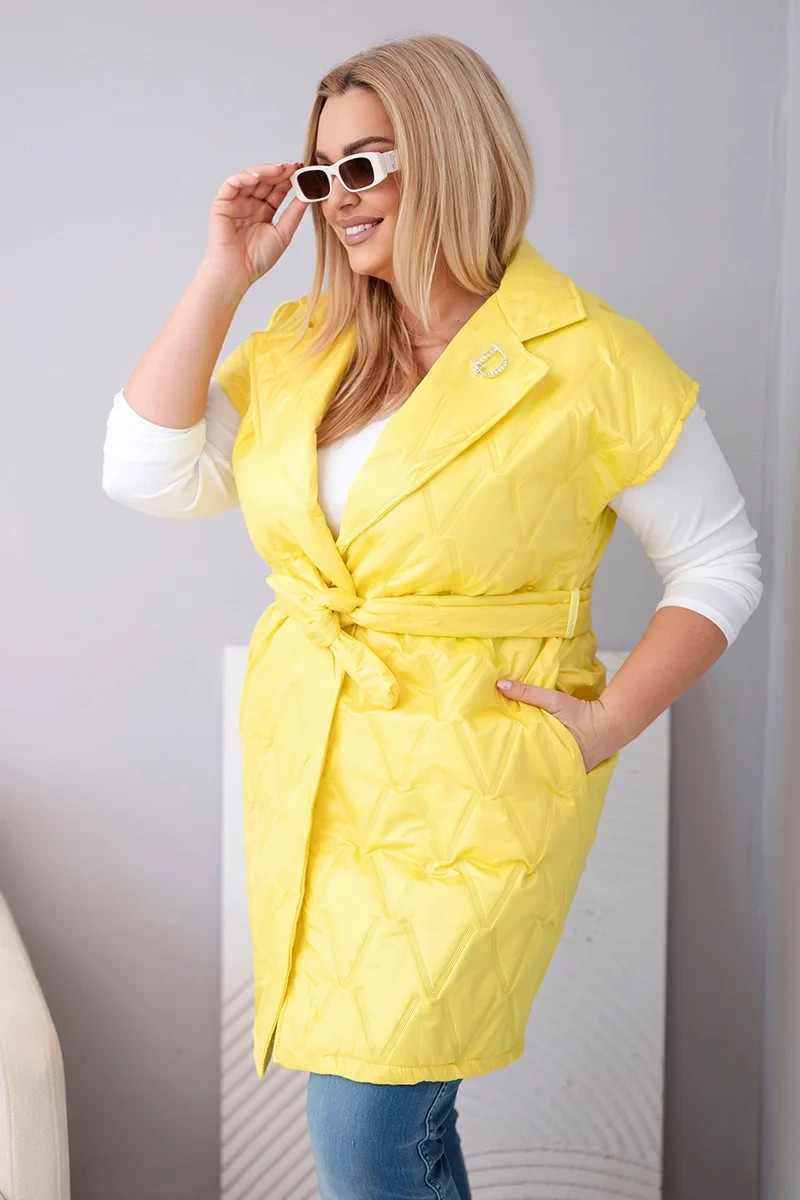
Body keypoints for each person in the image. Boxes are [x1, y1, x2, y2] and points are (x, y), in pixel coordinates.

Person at [102, 33, 762, 1200]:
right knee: (391, 1117)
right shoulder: (308, 346)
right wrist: (222, 275)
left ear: (452, 153)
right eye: (321, 174)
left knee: (367, 1119)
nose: (338, 199)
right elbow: (146, 475)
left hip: (475, 775)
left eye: (363, 164)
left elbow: (717, 563)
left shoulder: (588, 356)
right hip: (317, 767)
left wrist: (606, 724)